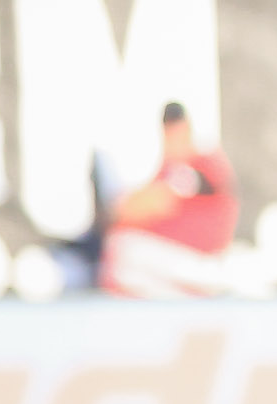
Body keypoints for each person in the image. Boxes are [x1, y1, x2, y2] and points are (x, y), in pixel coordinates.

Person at [101, 102, 239, 296]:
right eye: (169, 130)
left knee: (124, 247)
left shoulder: (205, 163)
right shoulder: (167, 167)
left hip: (201, 264)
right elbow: (125, 210)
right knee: (119, 255)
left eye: (178, 130)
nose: (174, 137)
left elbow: (148, 204)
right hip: (169, 266)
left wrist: (124, 209)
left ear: (187, 129)